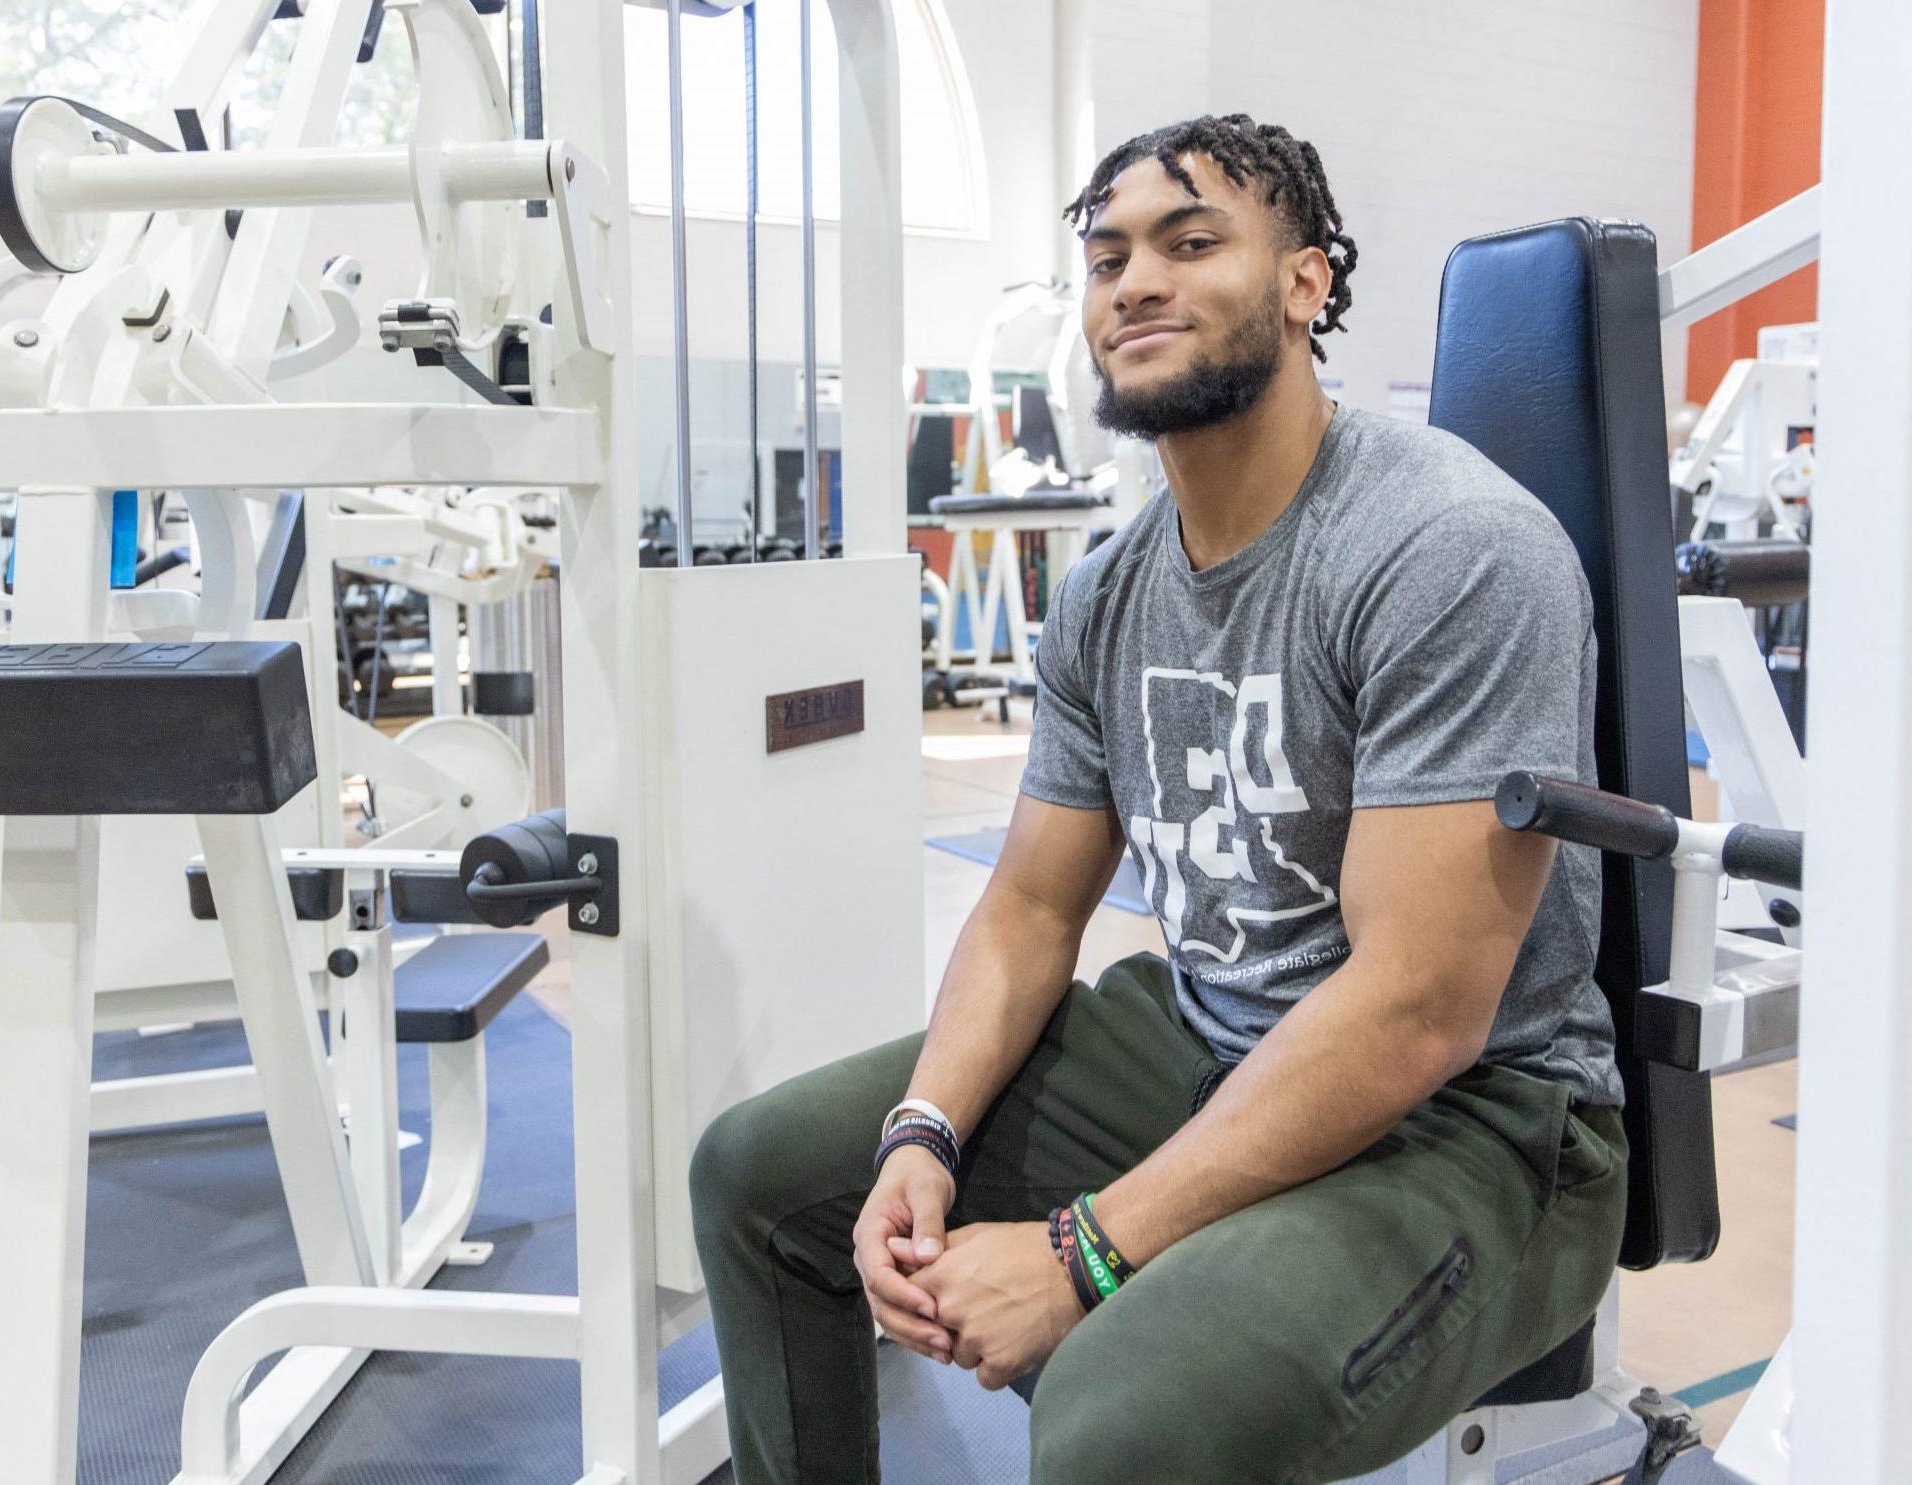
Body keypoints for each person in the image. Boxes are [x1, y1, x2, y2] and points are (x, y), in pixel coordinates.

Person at [690, 114, 1627, 1485]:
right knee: (762, 1172)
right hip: (1210, 1032)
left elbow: (1419, 1005)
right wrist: (922, 1134)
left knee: (1127, 1410)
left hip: (1484, 1120)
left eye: (1193, 243)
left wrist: (1084, 1250)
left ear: (1307, 281)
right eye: (1109, 254)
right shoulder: (1106, 592)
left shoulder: (1450, 547)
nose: (1137, 281)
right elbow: (1024, 905)